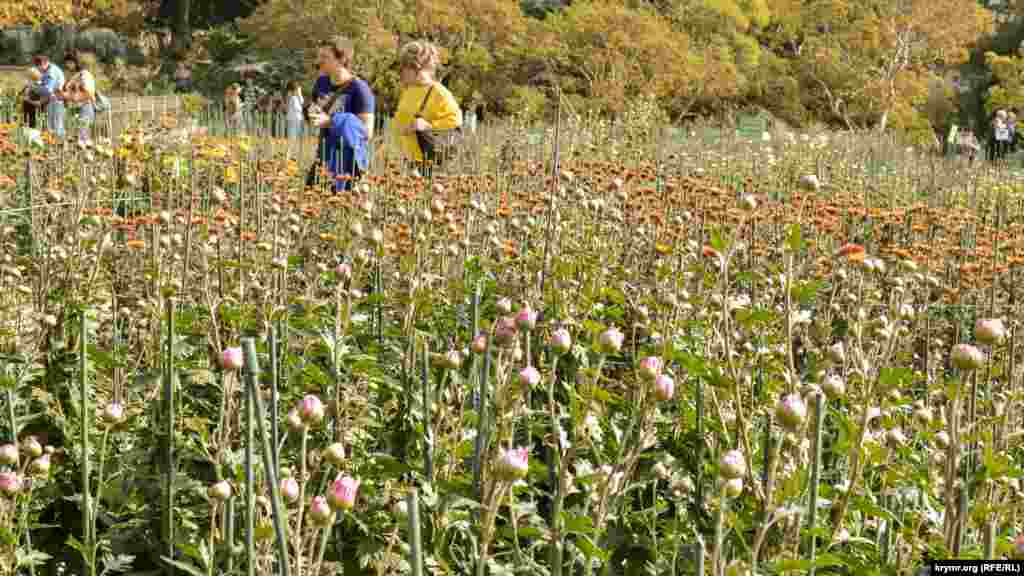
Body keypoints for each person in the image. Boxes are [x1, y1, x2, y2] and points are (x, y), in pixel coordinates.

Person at [304, 35, 375, 191]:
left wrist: (331, 121)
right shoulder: (321, 82)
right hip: (323, 156)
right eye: (319, 56)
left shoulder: (360, 89)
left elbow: (367, 132)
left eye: (325, 57)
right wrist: (310, 112)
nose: (319, 61)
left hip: (347, 164)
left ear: (342, 59)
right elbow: (314, 109)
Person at [391, 40, 463, 176]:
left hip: (430, 168)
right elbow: (398, 126)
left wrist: (427, 126)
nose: (400, 72)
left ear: (417, 67)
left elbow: (455, 127)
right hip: (407, 165)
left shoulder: (440, 93)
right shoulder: (407, 92)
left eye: (404, 67)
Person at [61, 51, 98, 145]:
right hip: (73, 110)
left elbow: (89, 92)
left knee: (83, 138)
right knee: (73, 138)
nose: (67, 65)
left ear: (75, 62)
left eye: (69, 62)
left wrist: (75, 97)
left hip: (85, 107)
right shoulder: (71, 76)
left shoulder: (84, 75)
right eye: (66, 63)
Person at [32, 53, 66, 139]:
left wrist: (34, 88)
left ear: (43, 64)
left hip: (57, 100)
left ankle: (59, 144)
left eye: (38, 67)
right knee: (51, 125)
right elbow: (43, 82)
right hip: (52, 99)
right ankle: (53, 144)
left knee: (57, 125)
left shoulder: (51, 71)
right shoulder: (47, 70)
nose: (38, 69)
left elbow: (48, 89)